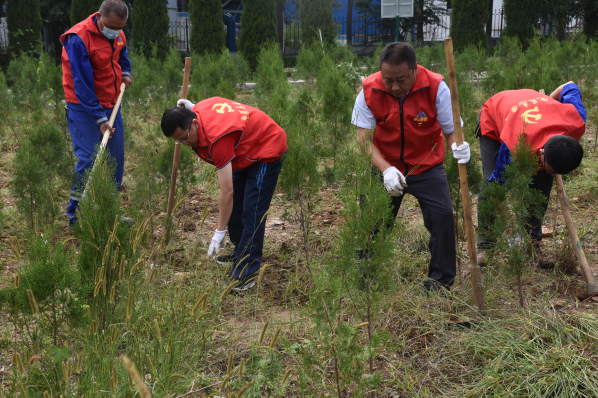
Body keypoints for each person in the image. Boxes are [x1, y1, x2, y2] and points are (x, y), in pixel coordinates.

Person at [352, 42, 470, 292]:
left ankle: (440, 282)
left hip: (427, 166)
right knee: (373, 221)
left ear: (415, 70)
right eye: (388, 80)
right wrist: (385, 169)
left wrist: (456, 147)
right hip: (385, 164)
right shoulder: (368, 91)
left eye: (401, 79)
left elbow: (451, 131)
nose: (394, 86)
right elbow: (364, 142)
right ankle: (368, 279)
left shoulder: (437, 88)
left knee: (443, 217)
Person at [161, 97, 287, 292]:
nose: (184, 143)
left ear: (194, 123)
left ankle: (246, 272)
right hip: (240, 149)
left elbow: (226, 191)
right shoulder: (197, 110)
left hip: (265, 147)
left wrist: (219, 232)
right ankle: (239, 250)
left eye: (184, 138)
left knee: (252, 210)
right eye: (178, 141)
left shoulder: (217, 140)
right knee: (237, 206)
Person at [476, 82, 586, 268]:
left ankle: (532, 244)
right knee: (491, 187)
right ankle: (486, 245)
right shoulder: (515, 147)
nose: (553, 174)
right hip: (495, 117)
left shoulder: (576, 120)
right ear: (541, 152)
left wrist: (548, 102)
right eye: (552, 170)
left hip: (530, 106)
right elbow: (496, 188)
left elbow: (570, 85)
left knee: (542, 184)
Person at [61, 0, 132, 229]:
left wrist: (126, 71)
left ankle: (108, 213)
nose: (115, 32)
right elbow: (81, 84)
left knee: (114, 160)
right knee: (90, 159)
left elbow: (122, 54)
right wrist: (99, 118)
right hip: (83, 107)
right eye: (112, 27)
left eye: (120, 28)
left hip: (112, 104)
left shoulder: (117, 33)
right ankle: (76, 217)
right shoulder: (78, 38)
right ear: (100, 18)